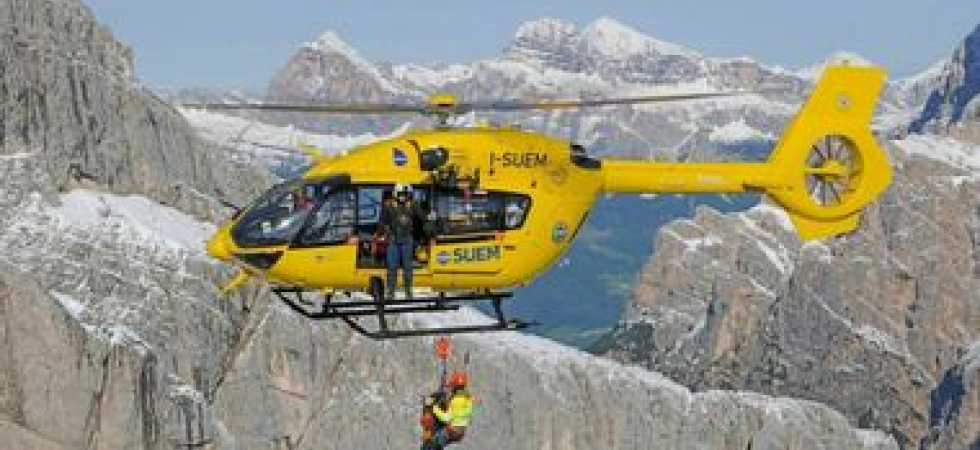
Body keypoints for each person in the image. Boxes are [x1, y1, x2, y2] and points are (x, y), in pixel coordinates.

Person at [379, 184, 425, 299]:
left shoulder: (412, 205)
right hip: (393, 240)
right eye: (400, 194)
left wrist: (428, 215)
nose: (402, 197)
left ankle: (408, 292)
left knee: (407, 267)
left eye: (405, 194)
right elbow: (382, 222)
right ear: (396, 194)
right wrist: (387, 232)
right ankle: (390, 292)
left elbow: (422, 216)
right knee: (392, 267)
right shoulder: (389, 206)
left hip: (407, 240)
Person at [427, 372, 474, 450]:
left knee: (430, 446)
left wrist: (434, 407)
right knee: (437, 445)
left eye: (452, 386)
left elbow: (446, 418)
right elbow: (457, 411)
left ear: (455, 387)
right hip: (460, 431)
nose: (451, 388)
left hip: (451, 431)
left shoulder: (456, 401)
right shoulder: (467, 398)